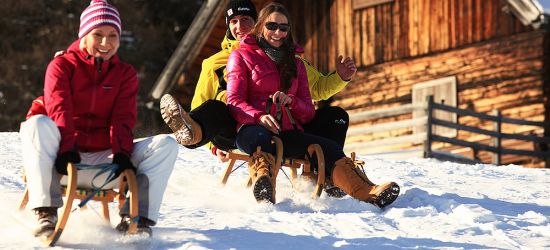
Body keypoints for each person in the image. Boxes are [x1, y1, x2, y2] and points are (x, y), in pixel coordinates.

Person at [160, 0, 355, 196]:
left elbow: (317, 89)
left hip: (281, 125)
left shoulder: (288, 58)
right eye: (233, 21)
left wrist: (341, 77)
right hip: (235, 126)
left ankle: (328, 174)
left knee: (336, 116)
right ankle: (193, 133)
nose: (239, 26)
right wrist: (213, 144)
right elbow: (201, 103)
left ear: (258, 23)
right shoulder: (214, 63)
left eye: (245, 20)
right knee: (217, 105)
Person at [20, 0, 178, 238]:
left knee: (166, 145)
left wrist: (123, 155)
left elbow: (123, 119)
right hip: (61, 160)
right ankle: (46, 212)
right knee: (37, 124)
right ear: (84, 34)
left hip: (105, 159)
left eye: (113, 35)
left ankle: (137, 220)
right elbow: (59, 108)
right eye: (98, 34)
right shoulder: (61, 66)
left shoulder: (124, 74)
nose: (106, 43)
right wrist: (66, 149)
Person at [226, 2, 400, 206]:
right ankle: (264, 185)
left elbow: (308, 113)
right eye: (272, 26)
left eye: (283, 28)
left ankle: (368, 191)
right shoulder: (240, 56)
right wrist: (259, 116)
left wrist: (292, 102)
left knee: (328, 147)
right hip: (252, 128)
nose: (277, 32)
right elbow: (234, 101)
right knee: (259, 139)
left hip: (286, 131)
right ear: (261, 26)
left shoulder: (297, 64)